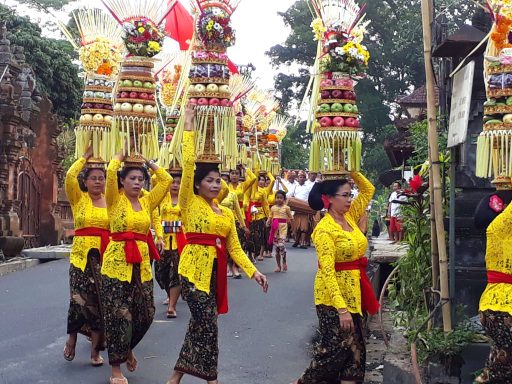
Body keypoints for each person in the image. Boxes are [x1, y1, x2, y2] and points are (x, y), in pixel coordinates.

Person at [167, 106, 268, 384]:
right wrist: (188, 127)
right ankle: (212, 379)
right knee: (207, 325)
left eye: (217, 180)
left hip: (214, 274)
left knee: (201, 324)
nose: (215, 184)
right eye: (209, 180)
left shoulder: (224, 214)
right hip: (191, 272)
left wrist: (254, 272)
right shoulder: (190, 202)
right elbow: (188, 166)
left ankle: (176, 375)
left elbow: (234, 248)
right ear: (197, 185)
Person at [292, 172, 378, 384]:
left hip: (355, 293)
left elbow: (368, 190)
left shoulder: (349, 216)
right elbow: (327, 272)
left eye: (350, 195)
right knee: (332, 353)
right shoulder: (324, 230)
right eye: (345, 195)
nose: (350, 199)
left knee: (355, 355)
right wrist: (342, 310)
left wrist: (351, 171)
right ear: (329, 198)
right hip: (332, 299)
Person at [100, 152, 172, 384]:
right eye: (132, 178)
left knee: (146, 313)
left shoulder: (147, 201)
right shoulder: (114, 198)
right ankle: (116, 370)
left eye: (140, 179)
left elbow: (167, 181)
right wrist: (119, 157)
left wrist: (148, 163)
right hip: (115, 264)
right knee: (117, 316)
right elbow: (110, 172)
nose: (137, 182)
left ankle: (126, 347)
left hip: (141, 264)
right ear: (122, 181)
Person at [63, 148, 109, 366]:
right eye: (94, 178)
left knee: (100, 304)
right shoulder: (78, 199)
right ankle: (71, 338)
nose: (98, 182)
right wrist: (84, 158)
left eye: (101, 178)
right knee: (78, 301)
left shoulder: (112, 201)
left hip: (105, 258)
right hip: (81, 258)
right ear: (86, 181)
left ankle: (94, 352)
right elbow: (69, 177)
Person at [474, 191, 512, 384]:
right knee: (500, 369)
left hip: (493, 308)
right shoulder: (500, 226)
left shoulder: (495, 234)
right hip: (505, 310)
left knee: (498, 365)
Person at [154, 169, 183, 318]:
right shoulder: (163, 196)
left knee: (175, 273)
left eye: (179, 182)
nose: (175, 185)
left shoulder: (185, 199)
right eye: (173, 182)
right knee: (160, 272)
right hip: (162, 240)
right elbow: (155, 178)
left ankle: (172, 305)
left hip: (179, 241)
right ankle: (169, 293)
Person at [220, 171, 248, 279]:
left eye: (225, 180)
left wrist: (243, 225)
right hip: (219, 223)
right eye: (220, 181)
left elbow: (238, 211)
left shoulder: (232, 195)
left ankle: (235, 267)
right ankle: (227, 266)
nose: (223, 183)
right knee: (223, 247)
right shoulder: (214, 195)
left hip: (232, 222)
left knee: (236, 245)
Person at [266, 190, 293, 272]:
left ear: (284, 199)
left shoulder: (287, 208)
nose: (279, 199)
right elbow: (270, 217)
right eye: (277, 198)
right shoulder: (273, 208)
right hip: (275, 228)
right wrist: (268, 222)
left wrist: (290, 224)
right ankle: (278, 266)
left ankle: (284, 261)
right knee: (277, 249)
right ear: (275, 198)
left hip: (283, 228)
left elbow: (291, 218)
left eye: (281, 198)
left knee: (281, 245)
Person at [247, 171, 271, 261]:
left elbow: (265, 205)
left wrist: (269, 217)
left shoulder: (263, 191)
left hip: (259, 215)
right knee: (249, 236)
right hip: (249, 214)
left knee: (259, 236)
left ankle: (256, 253)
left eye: (261, 180)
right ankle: (249, 253)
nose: (260, 181)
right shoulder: (248, 189)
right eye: (258, 179)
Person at [291, 171, 313, 249]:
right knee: (297, 227)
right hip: (296, 209)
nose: (302, 178)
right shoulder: (295, 187)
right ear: (298, 178)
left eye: (303, 177)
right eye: (300, 177)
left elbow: (311, 197)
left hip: (305, 209)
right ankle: (297, 241)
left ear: (305, 179)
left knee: (304, 227)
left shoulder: (308, 187)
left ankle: (303, 242)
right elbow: (289, 195)